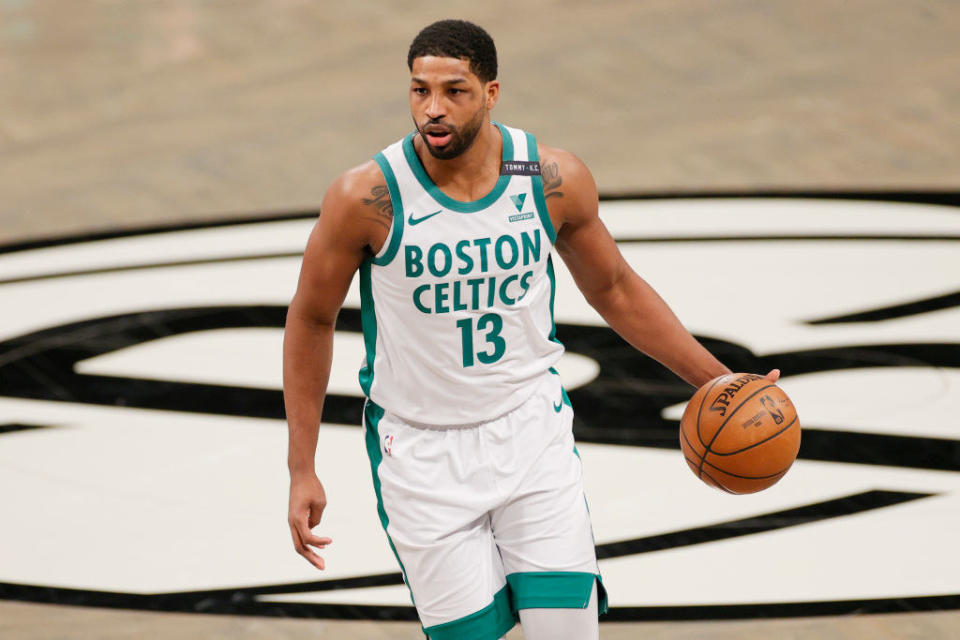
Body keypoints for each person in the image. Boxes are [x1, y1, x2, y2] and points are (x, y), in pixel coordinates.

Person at [283, 19, 779, 640]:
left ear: (491, 93)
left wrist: (723, 382)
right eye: (419, 90)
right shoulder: (366, 197)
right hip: (421, 454)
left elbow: (616, 289)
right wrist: (302, 464)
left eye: (454, 91)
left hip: (530, 435)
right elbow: (311, 318)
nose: (433, 110)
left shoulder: (550, 179)